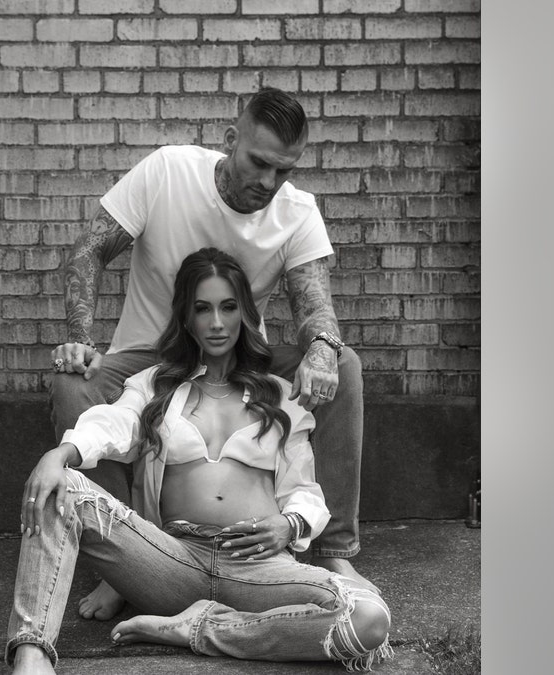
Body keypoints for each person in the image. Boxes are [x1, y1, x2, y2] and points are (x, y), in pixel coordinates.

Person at [48, 87, 369, 621]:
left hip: (240, 354)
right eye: (259, 162)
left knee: (346, 367)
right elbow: (88, 251)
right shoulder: (167, 172)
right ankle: (126, 566)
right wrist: (81, 337)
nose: (268, 182)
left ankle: (333, 552)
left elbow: (316, 306)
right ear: (230, 142)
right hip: (148, 355)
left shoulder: (297, 212)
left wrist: (322, 348)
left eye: (283, 171)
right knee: (71, 386)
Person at [9, 249, 391, 674]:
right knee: (58, 487)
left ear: (244, 313)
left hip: (258, 567)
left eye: (228, 308)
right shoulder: (157, 385)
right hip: (170, 559)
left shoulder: (280, 395)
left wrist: (290, 524)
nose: (216, 322)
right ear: (186, 318)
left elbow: (304, 490)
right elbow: (114, 425)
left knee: (367, 617)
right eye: (202, 309)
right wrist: (60, 454)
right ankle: (32, 654)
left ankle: (198, 628)